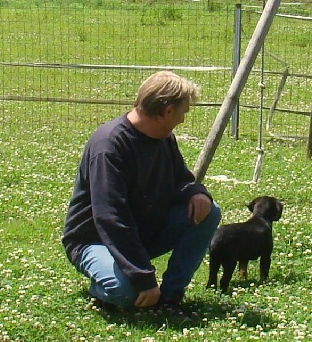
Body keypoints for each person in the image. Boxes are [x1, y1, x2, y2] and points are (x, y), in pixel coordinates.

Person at [62, 70, 221, 323]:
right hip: (95, 240)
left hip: (140, 232)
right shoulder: (109, 146)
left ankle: (169, 298)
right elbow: (110, 217)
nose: (182, 120)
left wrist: (196, 192)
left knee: (209, 211)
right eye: (183, 112)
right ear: (168, 110)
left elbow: (180, 178)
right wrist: (142, 276)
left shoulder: (162, 137)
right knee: (127, 292)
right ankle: (103, 288)